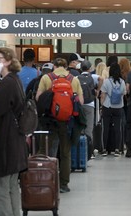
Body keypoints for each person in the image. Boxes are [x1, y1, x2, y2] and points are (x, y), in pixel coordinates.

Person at [0, 47, 28, 216]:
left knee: (0, 189)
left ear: (9, 61)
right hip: (15, 143)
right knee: (11, 188)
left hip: (5, 143)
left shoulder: (7, 83)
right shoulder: (15, 80)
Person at [36, 58, 83, 193]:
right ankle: (63, 184)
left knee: (45, 151)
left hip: (49, 121)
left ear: (54, 66)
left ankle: (45, 180)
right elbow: (81, 100)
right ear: (66, 67)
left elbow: (38, 98)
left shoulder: (46, 78)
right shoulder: (73, 79)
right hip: (67, 121)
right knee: (65, 152)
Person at [100, 63, 126, 156]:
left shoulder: (106, 82)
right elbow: (124, 93)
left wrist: (102, 105)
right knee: (118, 128)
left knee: (105, 128)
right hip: (118, 107)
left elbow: (103, 95)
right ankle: (117, 149)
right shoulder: (122, 82)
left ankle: (104, 149)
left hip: (107, 106)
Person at [78, 60, 102, 159]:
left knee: (80, 127)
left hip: (80, 104)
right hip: (90, 104)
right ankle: (89, 152)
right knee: (89, 129)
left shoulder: (76, 77)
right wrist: (97, 91)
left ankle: (80, 150)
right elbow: (102, 79)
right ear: (90, 68)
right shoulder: (93, 77)